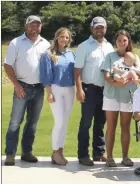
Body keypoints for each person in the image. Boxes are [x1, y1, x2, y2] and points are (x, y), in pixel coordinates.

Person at [4, 15, 50, 166]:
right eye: (31, 25)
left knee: (32, 123)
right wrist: (16, 85)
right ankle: (10, 153)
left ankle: (26, 152)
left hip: (39, 88)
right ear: (26, 26)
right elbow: (7, 65)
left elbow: (49, 66)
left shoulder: (45, 44)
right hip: (22, 87)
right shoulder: (16, 43)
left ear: (40, 27)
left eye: (37, 25)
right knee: (15, 122)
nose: (34, 28)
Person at [74, 16, 114, 166]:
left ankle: (98, 152)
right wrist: (79, 89)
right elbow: (77, 71)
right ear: (92, 29)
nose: (99, 30)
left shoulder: (109, 46)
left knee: (100, 123)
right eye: (97, 27)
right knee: (86, 123)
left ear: (105, 29)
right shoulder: (84, 46)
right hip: (88, 89)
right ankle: (83, 155)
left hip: (105, 90)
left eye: (102, 27)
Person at [100, 30, 140, 167]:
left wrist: (129, 82)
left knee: (125, 127)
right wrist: (115, 82)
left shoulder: (134, 57)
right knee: (111, 127)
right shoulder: (110, 56)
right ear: (115, 42)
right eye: (119, 40)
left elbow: (139, 76)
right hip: (111, 95)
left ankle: (125, 157)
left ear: (128, 41)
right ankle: (110, 157)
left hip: (128, 96)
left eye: (124, 40)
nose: (122, 43)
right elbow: (106, 75)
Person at [39, 27, 75, 166]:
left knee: (65, 122)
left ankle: (60, 151)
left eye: (67, 37)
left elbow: (76, 72)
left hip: (70, 89)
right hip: (55, 89)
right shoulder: (48, 54)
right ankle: (55, 151)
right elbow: (46, 75)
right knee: (59, 121)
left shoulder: (72, 54)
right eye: (62, 37)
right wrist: (49, 93)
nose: (64, 39)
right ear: (57, 37)